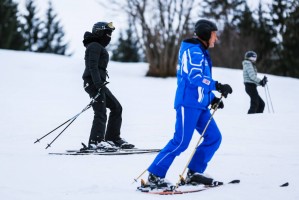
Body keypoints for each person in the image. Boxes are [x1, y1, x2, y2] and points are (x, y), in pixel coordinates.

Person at [146, 19, 233, 189]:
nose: (216, 39)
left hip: (199, 105)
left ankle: (194, 173)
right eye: (214, 35)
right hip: (188, 104)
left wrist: (211, 98)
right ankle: (154, 176)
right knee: (181, 142)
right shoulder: (193, 51)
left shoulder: (200, 51)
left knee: (214, 137)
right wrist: (217, 85)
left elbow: (200, 84)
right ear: (206, 34)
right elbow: (195, 77)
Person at [82, 21, 134, 151]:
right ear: (99, 32)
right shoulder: (94, 46)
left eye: (110, 33)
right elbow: (92, 67)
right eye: (107, 33)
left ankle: (113, 138)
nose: (109, 36)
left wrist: (100, 84)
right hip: (94, 84)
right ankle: (96, 141)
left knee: (117, 107)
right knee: (100, 111)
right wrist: (98, 84)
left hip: (99, 84)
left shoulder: (97, 46)